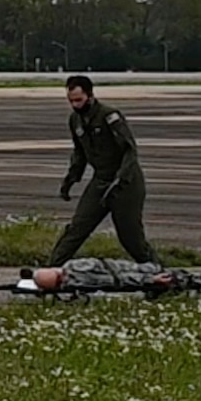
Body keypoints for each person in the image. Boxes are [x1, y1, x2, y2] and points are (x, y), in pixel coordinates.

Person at [47, 74, 159, 267]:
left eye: (79, 100)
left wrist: (121, 178)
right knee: (77, 228)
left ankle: (159, 274)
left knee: (130, 238)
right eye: (71, 101)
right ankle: (49, 271)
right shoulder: (75, 121)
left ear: (90, 96)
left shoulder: (109, 116)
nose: (75, 105)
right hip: (101, 180)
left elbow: (130, 150)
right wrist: (70, 180)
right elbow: (79, 154)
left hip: (126, 183)